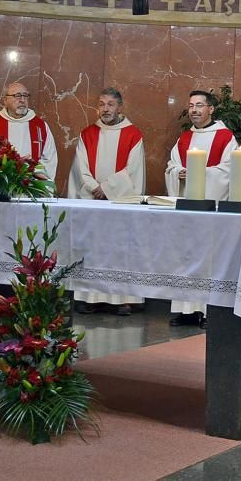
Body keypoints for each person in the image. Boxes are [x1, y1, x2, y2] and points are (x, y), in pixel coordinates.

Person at [164, 90, 240, 327]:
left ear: (211, 109)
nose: (194, 110)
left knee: (210, 258)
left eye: (199, 105)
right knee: (185, 256)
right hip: (187, 208)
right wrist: (178, 173)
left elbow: (229, 171)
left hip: (211, 210)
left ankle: (209, 311)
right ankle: (186, 310)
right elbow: (171, 166)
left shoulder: (226, 138)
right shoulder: (184, 138)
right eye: (191, 106)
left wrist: (198, 173)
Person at [67, 87, 146, 316]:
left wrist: (108, 188)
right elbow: (79, 167)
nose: (105, 109)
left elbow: (134, 170)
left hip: (118, 205)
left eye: (110, 104)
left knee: (120, 248)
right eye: (101, 104)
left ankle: (121, 299)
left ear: (120, 107)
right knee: (92, 248)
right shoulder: (88, 133)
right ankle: (91, 297)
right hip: (93, 201)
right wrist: (94, 187)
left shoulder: (133, 134)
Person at [0, 81, 57, 180]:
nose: (22, 100)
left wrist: (29, 171)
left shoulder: (41, 126)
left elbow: (49, 159)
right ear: (5, 100)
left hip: (31, 188)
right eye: (17, 96)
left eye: (25, 95)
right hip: (1, 187)